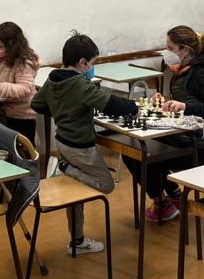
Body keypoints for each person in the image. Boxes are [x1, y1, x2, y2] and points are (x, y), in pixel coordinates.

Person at [31, 31, 137, 256]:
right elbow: (109, 104)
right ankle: (66, 169)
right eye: (93, 63)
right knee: (105, 184)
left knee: (75, 194)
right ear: (82, 63)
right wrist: (133, 108)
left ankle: (77, 240)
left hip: (63, 142)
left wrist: (62, 111)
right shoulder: (79, 84)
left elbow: (37, 104)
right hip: (81, 147)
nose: (92, 67)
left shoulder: (53, 79)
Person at [123, 26, 204, 222]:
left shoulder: (202, 72)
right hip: (181, 135)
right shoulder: (184, 69)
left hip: (199, 145)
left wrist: (184, 106)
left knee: (141, 154)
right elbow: (188, 99)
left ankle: (165, 202)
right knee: (131, 149)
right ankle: (173, 196)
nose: (166, 52)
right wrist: (165, 101)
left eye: (170, 48)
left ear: (185, 50)